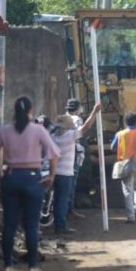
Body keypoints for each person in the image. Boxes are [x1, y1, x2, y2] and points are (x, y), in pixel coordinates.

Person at [0, 97, 60, 271]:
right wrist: (51, 175)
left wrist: (0, 173)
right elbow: (53, 154)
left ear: (15, 111)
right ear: (30, 111)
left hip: (11, 177)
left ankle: (8, 265)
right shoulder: (38, 131)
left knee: (9, 224)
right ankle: (33, 265)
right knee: (32, 225)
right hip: (33, 178)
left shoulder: (5, 131)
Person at [50, 100, 102, 236]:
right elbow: (86, 127)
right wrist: (95, 112)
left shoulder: (53, 137)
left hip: (53, 172)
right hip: (65, 173)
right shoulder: (69, 137)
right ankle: (61, 226)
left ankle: (58, 223)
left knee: (56, 200)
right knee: (62, 200)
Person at [65, 98, 87, 220]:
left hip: (63, 154)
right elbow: (79, 135)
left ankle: (65, 209)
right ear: (78, 109)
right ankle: (70, 210)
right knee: (72, 182)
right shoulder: (77, 120)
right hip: (74, 154)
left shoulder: (62, 118)